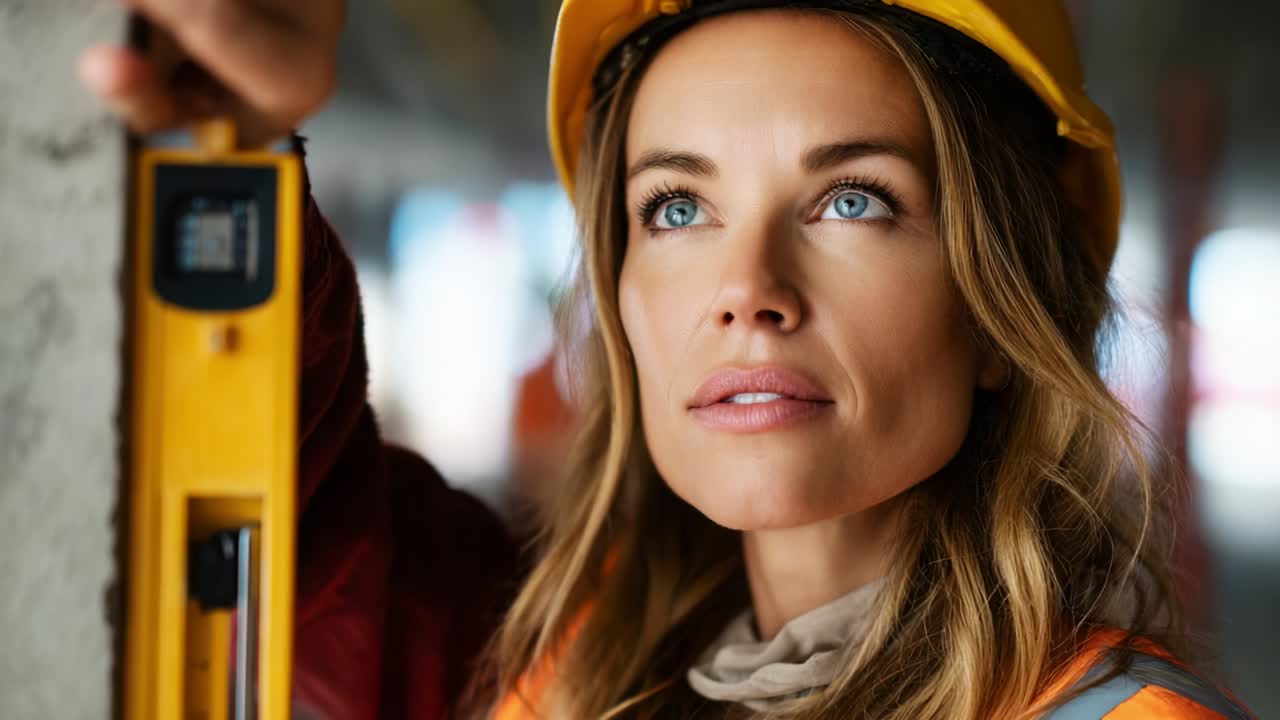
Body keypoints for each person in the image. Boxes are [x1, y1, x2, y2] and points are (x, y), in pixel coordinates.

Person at [81, 1, 1257, 717]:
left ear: (997, 314)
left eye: (851, 199)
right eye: (676, 209)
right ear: (619, 297)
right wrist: (229, 150)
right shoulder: (558, 667)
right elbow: (279, 508)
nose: (747, 291)